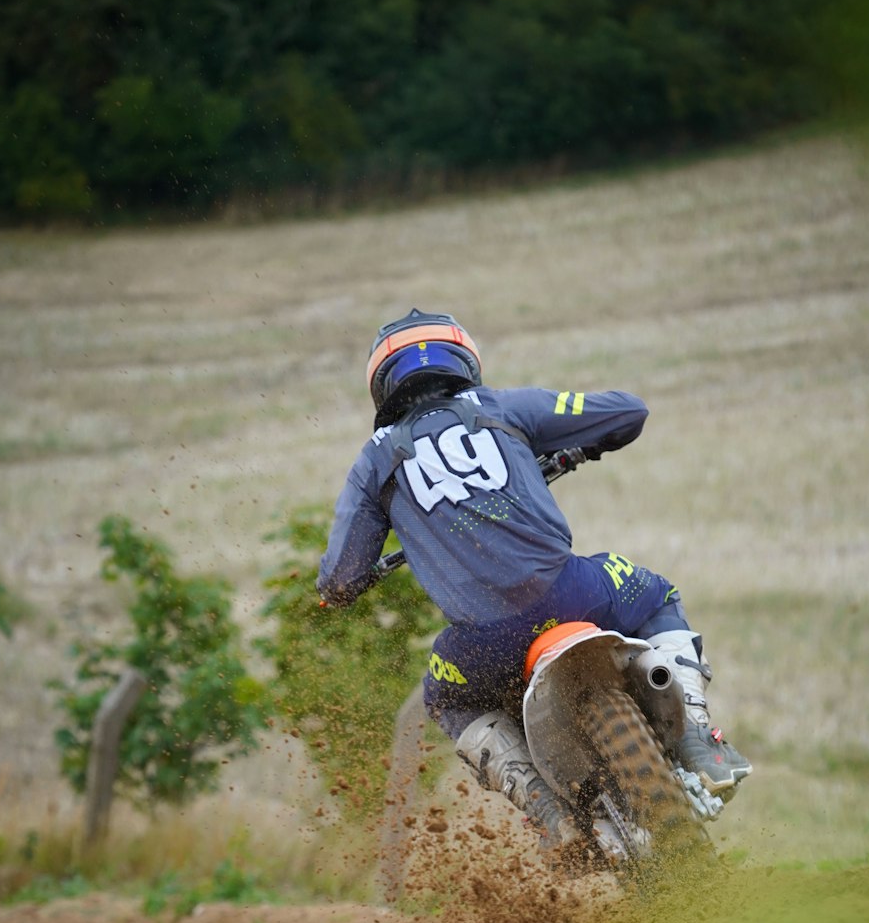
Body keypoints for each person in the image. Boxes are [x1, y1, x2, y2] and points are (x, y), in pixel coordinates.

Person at [318, 309, 751, 853]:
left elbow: (337, 579)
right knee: (655, 593)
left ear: (382, 384)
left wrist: (356, 579)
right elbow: (628, 412)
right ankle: (697, 742)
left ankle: (549, 816)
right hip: (572, 594)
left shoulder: (374, 462)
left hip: (483, 644)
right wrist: (579, 443)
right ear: (462, 361)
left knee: (445, 697)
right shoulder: (503, 408)